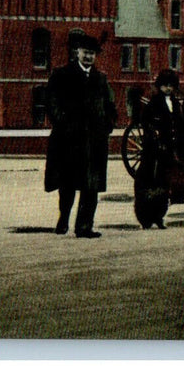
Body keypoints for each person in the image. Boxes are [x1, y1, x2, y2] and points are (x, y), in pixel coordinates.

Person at [44, 31, 117, 238]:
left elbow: (110, 106)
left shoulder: (101, 79)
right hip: (69, 141)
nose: (88, 57)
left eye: (92, 54)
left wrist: (108, 125)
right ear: (77, 52)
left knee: (91, 186)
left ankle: (84, 226)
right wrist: (64, 124)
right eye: (85, 53)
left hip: (94, 142)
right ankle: (64, 217)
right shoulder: (62, 75)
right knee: (67, 183)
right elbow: (52, 103)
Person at [135, 69, 184, 229]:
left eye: (171, 86)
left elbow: (180, 125)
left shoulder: (176, 103)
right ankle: (145, 219)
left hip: (170, 150)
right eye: (165, 86)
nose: (168, 89)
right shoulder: (153, 103)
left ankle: (159, 216)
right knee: (150, 184)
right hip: (154, 152)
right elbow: (146, 124)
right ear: (160, 86)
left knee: (165, 185)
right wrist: (155, 138)